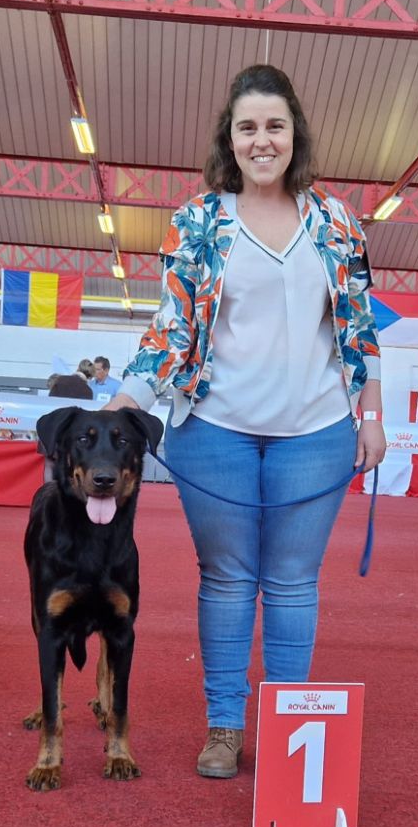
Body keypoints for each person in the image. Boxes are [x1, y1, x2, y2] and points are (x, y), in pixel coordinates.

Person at [105, 64, 386, 779]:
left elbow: (357, 329)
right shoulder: (199, 219)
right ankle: (225, 727)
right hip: (216, 428)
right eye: (248, 128)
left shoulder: (336, 221)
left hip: (318, 431)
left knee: (293, 582)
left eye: (275, 126)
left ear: (295, 134)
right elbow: (170, 325)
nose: (262, 140)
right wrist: (126, 398)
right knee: (227, 579)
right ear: (229, 140)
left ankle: (291, 726)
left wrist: (372, 411)